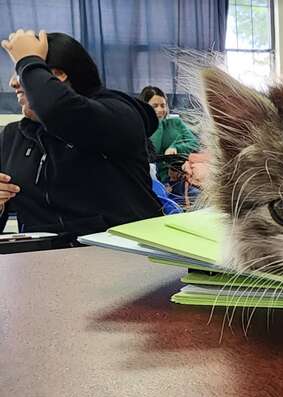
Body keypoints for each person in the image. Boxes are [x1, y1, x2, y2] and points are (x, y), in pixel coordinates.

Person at [0, 30, 162, 245]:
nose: (12, 83)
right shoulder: (12, 137)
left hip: (123, 258)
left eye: (24, 72)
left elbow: (60, 111)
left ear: (58, 75)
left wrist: (28, 61)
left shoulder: (118, 114)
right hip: (45, 265)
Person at [138, 85, 200, 184]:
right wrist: (157, 124)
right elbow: (154, 152)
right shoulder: (140, 129)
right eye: (155, 106)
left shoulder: (176, 122)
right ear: (145, 107)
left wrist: (176, 147)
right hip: (157, 179)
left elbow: (194, 144)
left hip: (182, 174)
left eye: (163, 105)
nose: (160, 110)